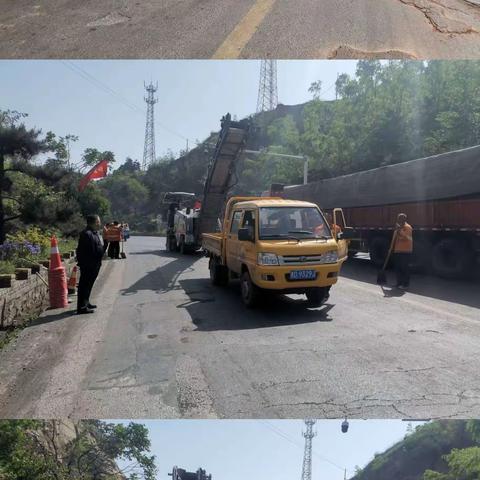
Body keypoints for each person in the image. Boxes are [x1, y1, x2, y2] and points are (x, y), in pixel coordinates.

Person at [76, 214, 104, 314]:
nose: (100, 223)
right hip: (89, 265)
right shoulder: (86, 234)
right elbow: (84, 251)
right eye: (98, 221)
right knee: (84, 285)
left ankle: (86, 302)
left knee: (89, 285)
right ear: (95, 222)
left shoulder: (94, 233)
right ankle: (82, 307)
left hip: (94, 264)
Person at [393, 213, 413, 289]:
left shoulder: (408, 227)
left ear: (404, 219)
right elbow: (396, 239)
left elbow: (406, 237)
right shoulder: (399, 228)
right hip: (398, 250)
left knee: (404, 268)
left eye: (400, 219)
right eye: (398, 219)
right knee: (398, 268)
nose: (398, 220)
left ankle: (405, 284)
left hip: (405, 251)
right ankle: (399, 283)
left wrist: (399, 230)